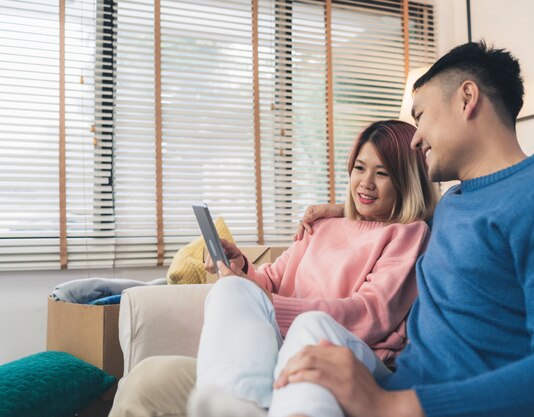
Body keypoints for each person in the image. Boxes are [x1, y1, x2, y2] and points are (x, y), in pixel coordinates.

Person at [274, 41, 534, 417]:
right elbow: (404, 215)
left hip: (424, 404)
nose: (415, 137)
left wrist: (392, 406)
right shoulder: (455, 202)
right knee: (313, 332)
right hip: (395, 385)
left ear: (467, 98)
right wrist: (341, 212)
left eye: (420, 116)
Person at [108, 119, 438, 417]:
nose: (365, 183)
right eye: (359, 169)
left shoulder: (408, 234)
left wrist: (268, 304)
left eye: (381, 173)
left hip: (353, 358)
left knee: (310, 323)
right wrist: (241, 268)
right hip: (279, 351)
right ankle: (240, 405)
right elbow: (272, 281)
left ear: (406, 180)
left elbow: (370, 314)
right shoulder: (323, 227)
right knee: (226, 291)